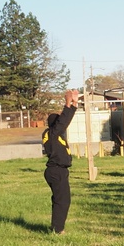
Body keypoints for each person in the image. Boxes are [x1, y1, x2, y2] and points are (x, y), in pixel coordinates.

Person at [43, 89, 79, 234]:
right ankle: (58, 230)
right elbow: (63, 122)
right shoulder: (52, 133)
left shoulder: (53, 135)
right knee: (62, 201)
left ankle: (56, 227)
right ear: (54, 125)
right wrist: (68, 104)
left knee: (60, 200)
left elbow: (64, 122)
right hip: (56, 170)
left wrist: (75, 105)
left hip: (57, 171)